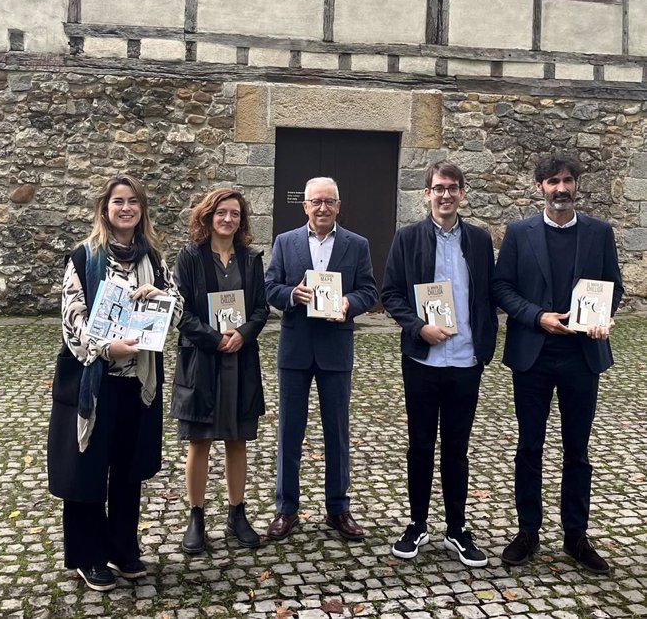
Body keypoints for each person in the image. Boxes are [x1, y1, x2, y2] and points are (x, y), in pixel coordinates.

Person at [47, 174, 183, 592]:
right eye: (118, 201)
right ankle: (89, 556)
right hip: (93, 381)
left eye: (134, 202)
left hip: (137, 384)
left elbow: (176, 312)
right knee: (86, 470)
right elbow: (73, 323)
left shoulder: (155, 260)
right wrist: (107, 349)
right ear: (105, 209)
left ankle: (124, 548)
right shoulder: (84, 258)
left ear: (142, 210)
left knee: (127, 469)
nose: (126, 208)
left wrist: (157, 298)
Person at [492, 154, 623, 575]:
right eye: (553, 181)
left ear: (576, 186)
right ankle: (528, 530)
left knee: (577, 450)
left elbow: (614, 287)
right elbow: (501, 288)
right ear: (539, 188)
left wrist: (604, 317)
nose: (561, 187)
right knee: (530, 446)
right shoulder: (518, 233)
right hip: (534, 353)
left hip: (582, 356)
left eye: (567, 180)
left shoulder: (600, 233)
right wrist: (537, 316)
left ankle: (576, 535)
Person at [381, 161, 498, 567]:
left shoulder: (480, 240)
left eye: (452, 187)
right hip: (422, 358)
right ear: (426, 194)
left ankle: (457, 528)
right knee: (420, 446)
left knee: (457, 448)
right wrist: (418, 327)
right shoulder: (407, 237)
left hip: (466, 360)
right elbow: (391, 293)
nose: (445, 195)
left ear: (462, 193)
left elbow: (489, 293)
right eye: (438, 188)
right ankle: (416, 524)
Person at [264, 177, 378, 541]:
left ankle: (338, 509)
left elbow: (369, 290)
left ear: (339, 206)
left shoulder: (357, 245)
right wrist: (290, 294)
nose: (323, 208)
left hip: (335, 349)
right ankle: (286, 508)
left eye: (329, 201)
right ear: (305, 206)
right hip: (296, 348)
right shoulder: (285, 242)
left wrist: (348, 304)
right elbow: (269, 287)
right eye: (316, 202)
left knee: (337, 432)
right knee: (289, 432)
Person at [170, 188, 268, 554]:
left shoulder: (250, 258)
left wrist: (242, 335)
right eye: (222, 212)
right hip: (202, 360)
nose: (228, 219)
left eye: (236, 214)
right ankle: (196, 516)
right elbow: (181, 311)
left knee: (237, 438)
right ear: (208, 216)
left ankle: (236, 513)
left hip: (240, 360)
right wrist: (214, 338)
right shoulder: (190, 258)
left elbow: (260, 309)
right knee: (200, 441)